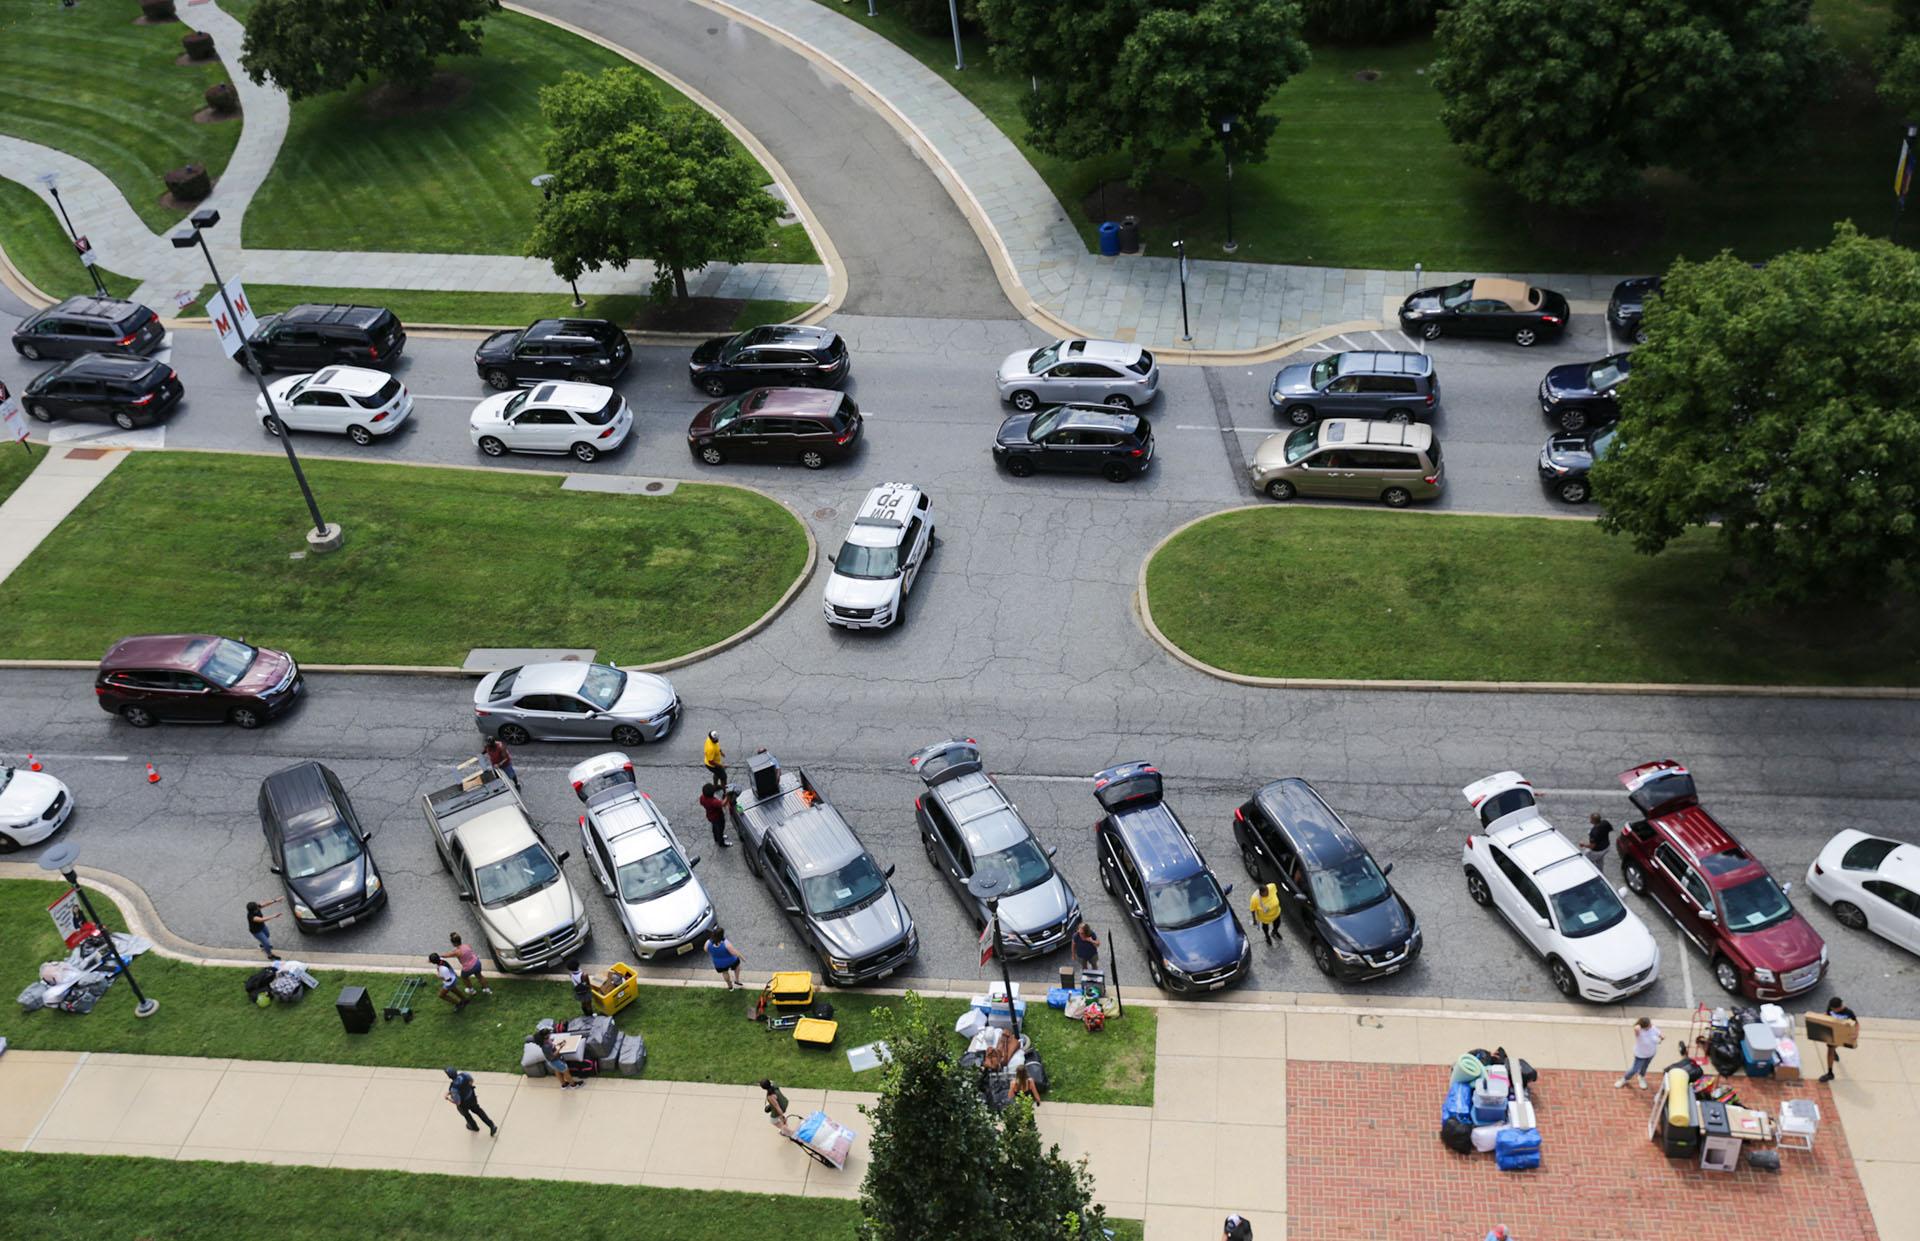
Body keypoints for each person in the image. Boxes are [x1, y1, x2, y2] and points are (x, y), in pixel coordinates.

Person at [444, 1066, 497, 1135]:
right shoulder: (464, 1075)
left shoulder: (454, 1088)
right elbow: (471, 1081)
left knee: (466, 1115)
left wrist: (447, 1098)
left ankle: (474, 1127)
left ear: (449, 1076)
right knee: (479, 1111)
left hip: (464, 1104)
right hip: (472, 1097)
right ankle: (491, 1125)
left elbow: (457, 1102)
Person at [1819, 995, 1858, 1082]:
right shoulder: (1831, 1008)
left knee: (1831, 1049)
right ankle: (1830, 1071)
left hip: (1842, 1034)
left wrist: (1855, 1034)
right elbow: (1828, 1014)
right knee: (1830, 1049)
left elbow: (1856, 1024)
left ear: (1839, 1008)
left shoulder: (1848, 1012)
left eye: (1833, 1009)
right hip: (1832, 1033)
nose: (1831, 1010)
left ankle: (1830, 1073)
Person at [1616, 1016, 1661, 1089]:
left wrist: (1661, 1038)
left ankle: (1641, 1077)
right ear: (1644, 1026)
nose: (1651, 1025)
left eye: (1650, 1023)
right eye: (1649, 1024)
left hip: (1651, 1053)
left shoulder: (1653, 1028)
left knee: (1645, 1067)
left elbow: (1660, 1034)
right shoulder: (1640, 1032)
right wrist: (1639, 1025)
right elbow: (1636, 1028)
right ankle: (1624, 1079)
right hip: (1640, 1055)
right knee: (1634, 1069)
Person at [449, 932, 492, 996]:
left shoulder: (456, 952)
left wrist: (437, 957)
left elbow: (447, 955)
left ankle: (471, 990)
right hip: (477, 963)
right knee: (479, 976)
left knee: (464, 977)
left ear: (454, 943)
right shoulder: (467, 946)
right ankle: (487, 989)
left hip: (468, 968)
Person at [1249, 882, 1283, 947]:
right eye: (1266, 893)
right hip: (1265, 918)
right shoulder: (1255, 899)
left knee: (1277, 923)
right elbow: (1252, 910)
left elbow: (1276, 891)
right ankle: (1267, 937)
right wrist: (1254, 920)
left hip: (1276, 913)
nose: (1268, 894)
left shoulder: (1272, 887)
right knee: (1265, 928)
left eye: (1268, 891)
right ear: (1260, 893)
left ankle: (1274, 931)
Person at [699, 783, 730, 848]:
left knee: (715, 828)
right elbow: (723, 804)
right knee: (720, 829)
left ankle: (716, 838)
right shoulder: (714, 802)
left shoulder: (702, 797)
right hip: (718, 817)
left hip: (710, 816)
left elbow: (701, 803)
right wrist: (728, 796)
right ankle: (721, 843)